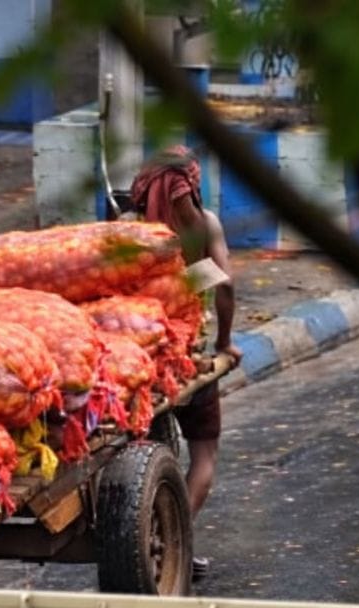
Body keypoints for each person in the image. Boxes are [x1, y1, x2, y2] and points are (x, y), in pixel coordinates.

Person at [130, 144, 243, 582]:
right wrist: (226, 342)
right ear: (192, 185)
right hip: (186, 361)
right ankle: (175, 538)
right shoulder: (202, 228)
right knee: (204, 454)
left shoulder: (130, 231)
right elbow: (225, 287)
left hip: (136, 367)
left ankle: (155, 534)